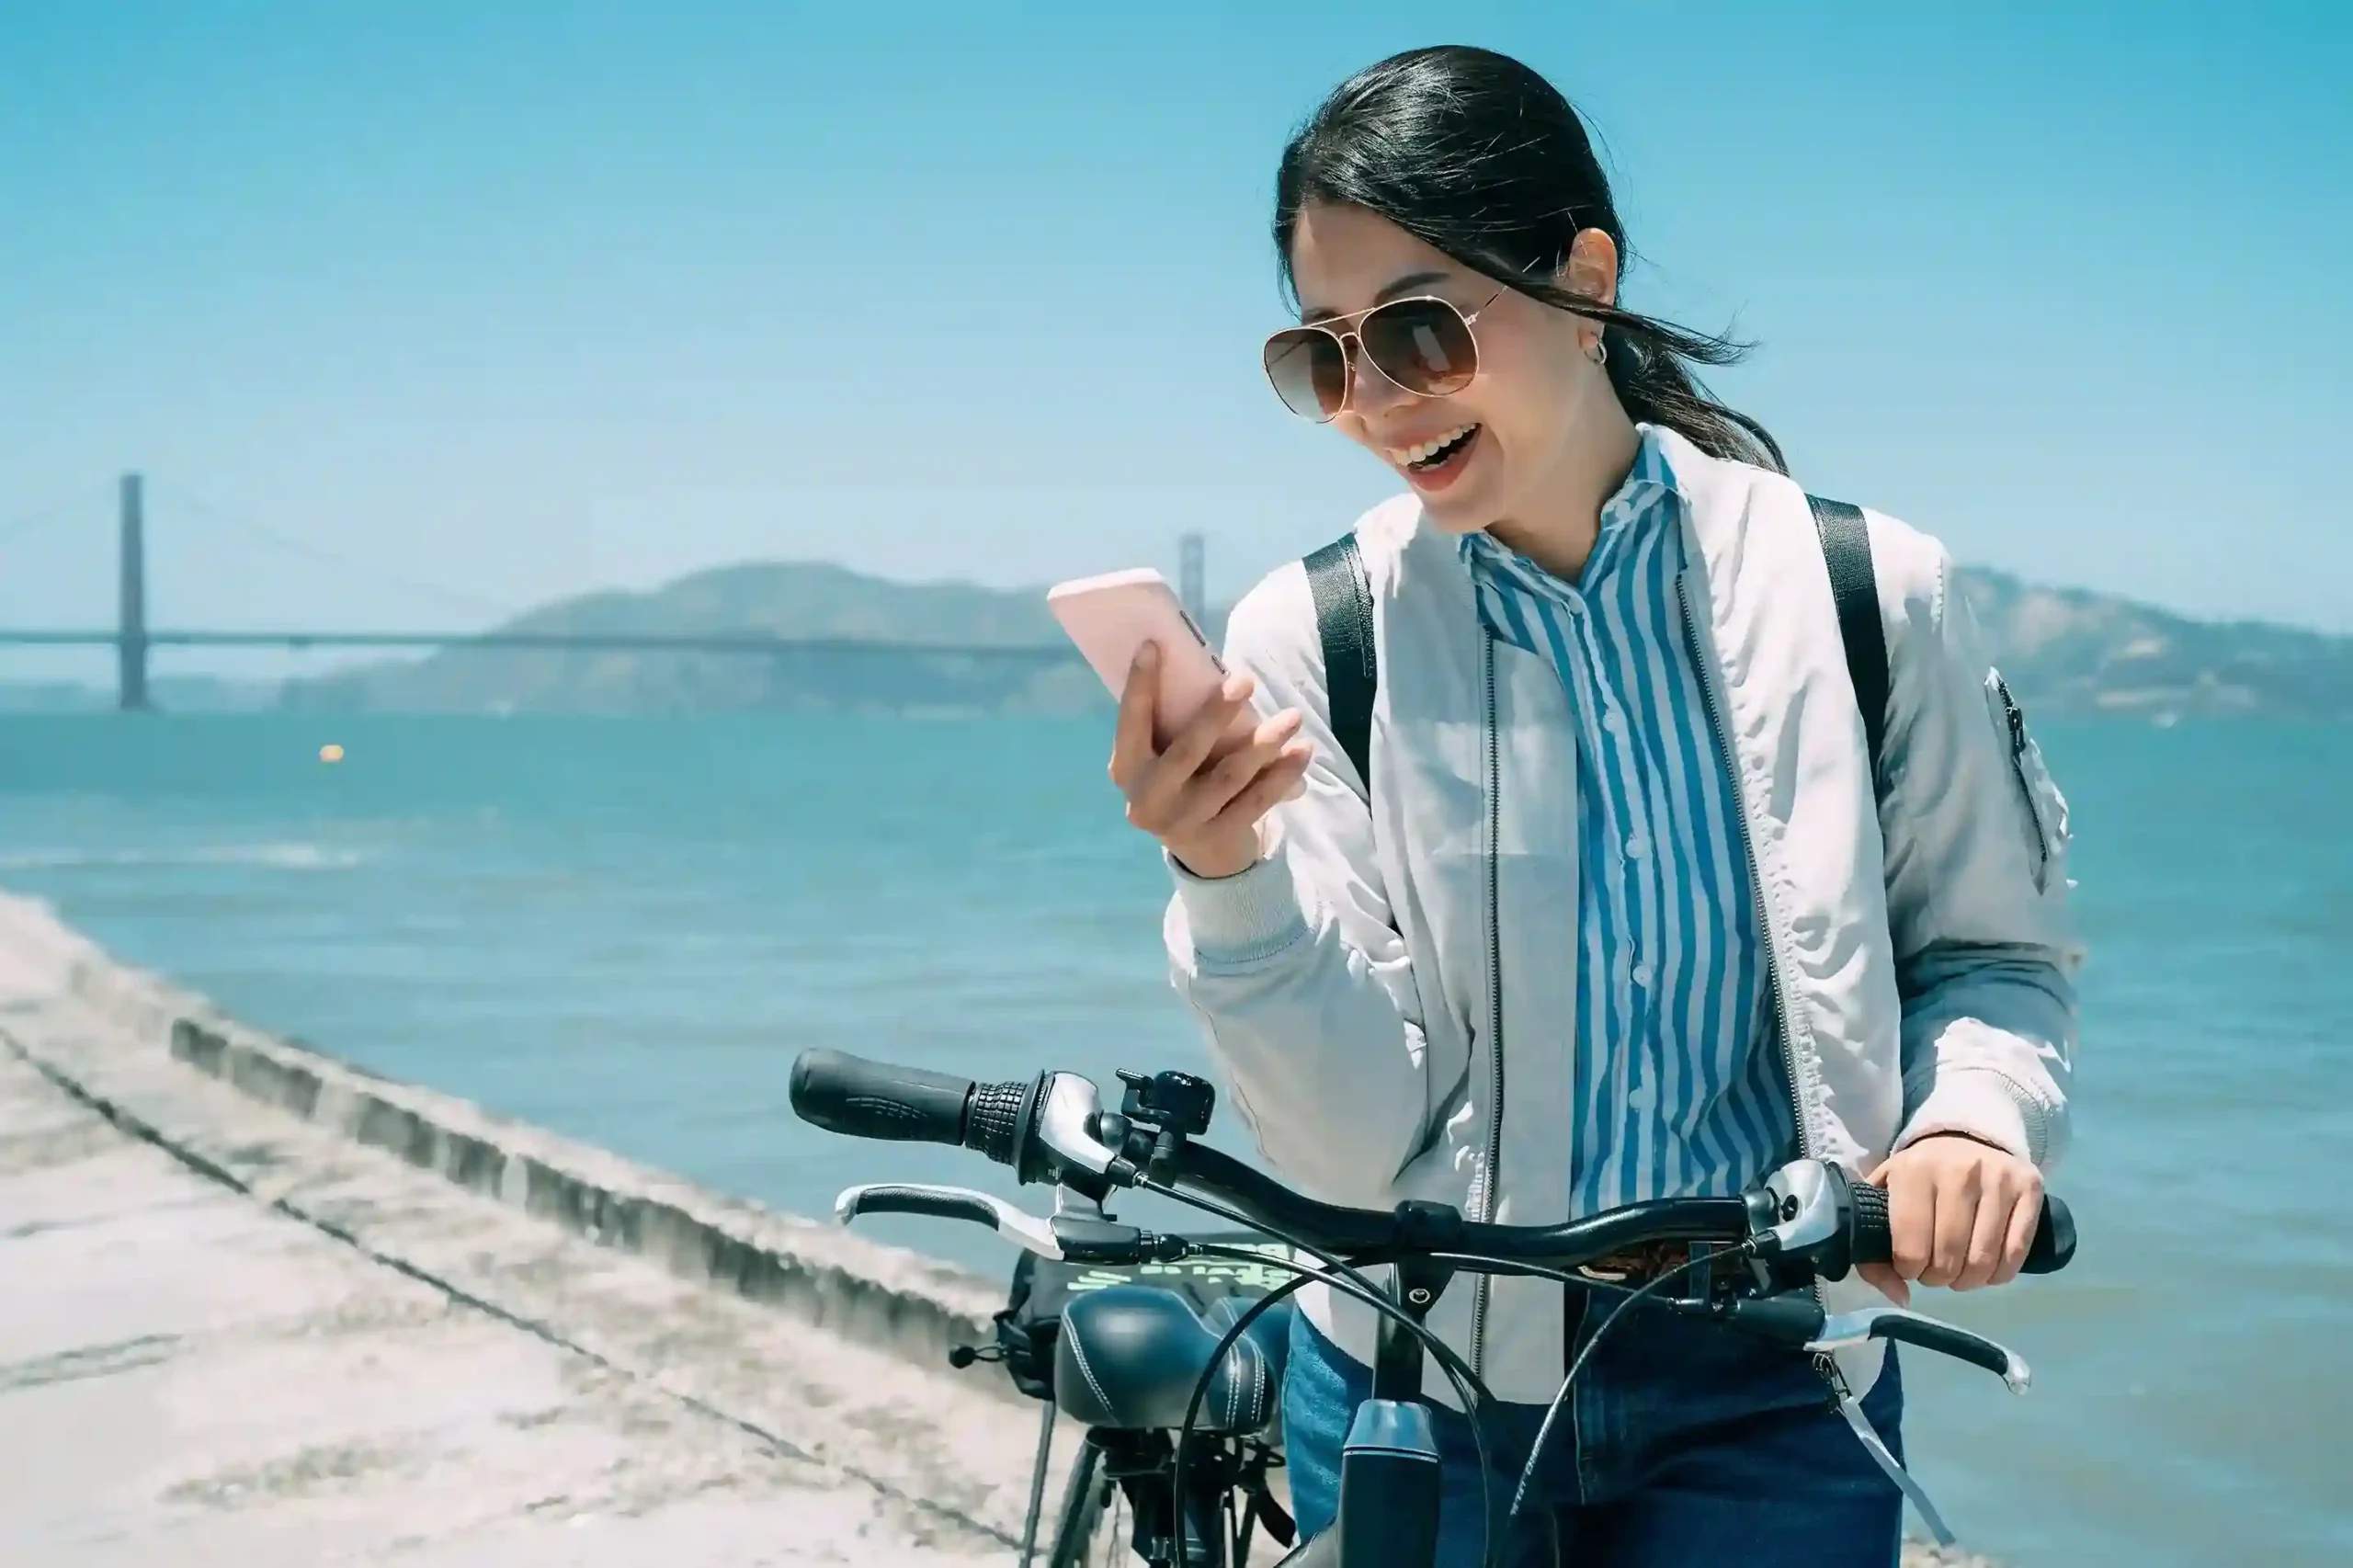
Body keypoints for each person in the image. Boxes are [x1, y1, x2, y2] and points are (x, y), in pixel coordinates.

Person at [1107, 43, 2082, 1568]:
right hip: (1411, 1385)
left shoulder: (1868, 596)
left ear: (1586, 278)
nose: (1375, 400)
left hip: (1774, 1387)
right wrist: (1225, 873)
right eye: (1327, 355)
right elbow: (1355, 1147)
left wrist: (1973, 1122)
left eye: (1421, 327)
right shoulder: (1319, 640)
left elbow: (1993, 954)